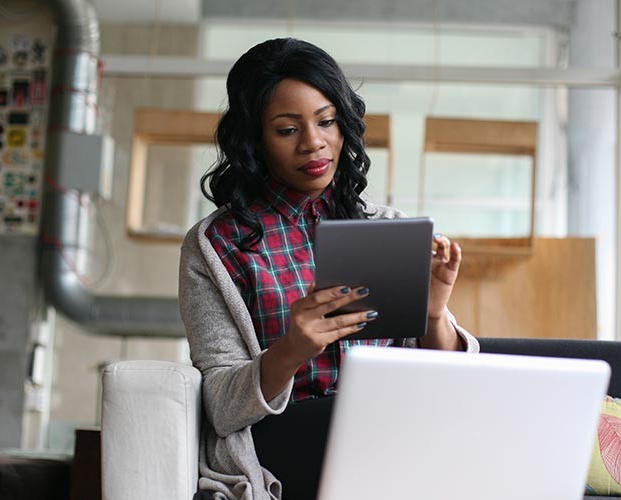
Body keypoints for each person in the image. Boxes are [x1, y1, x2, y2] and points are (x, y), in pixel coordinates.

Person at [179, 37, 480, 500]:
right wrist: (293, 348)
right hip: (288, 441)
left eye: (327, 121)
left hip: (390, 431)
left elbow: (446, 379)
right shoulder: (216, 246)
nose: (314, 143)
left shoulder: (387, 228)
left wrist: (434, 314)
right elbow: (221, 407)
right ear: (254, 139)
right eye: (286, 130)